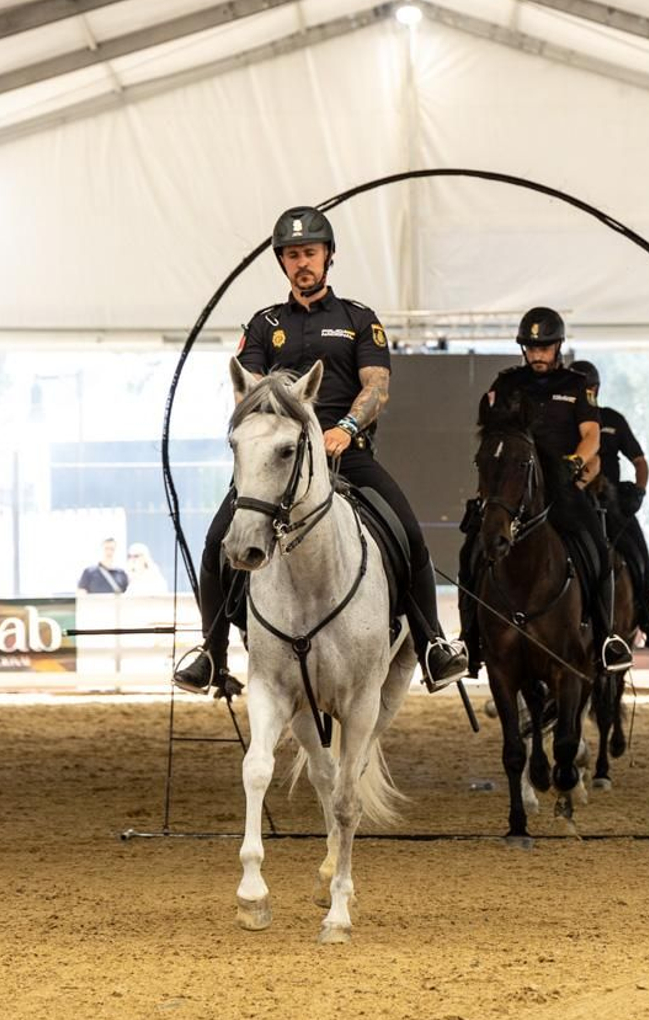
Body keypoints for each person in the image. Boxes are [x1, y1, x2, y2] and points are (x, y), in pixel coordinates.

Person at [173, 205, 467, 698]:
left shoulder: (358, 319)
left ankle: (432, 643)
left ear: (328, 256)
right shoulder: (264, 325)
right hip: (279, 462)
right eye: (292, 255)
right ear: (282, 263)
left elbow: (377, 387)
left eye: (309, 252)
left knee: (408, 532)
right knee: (217, 542)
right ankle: (211, 653)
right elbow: (248, 392)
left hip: (345, 453)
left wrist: (346, 427)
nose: (301, 263)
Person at [459, 309, 632, 677]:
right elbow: (493, 431)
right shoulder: (506, 383)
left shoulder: (577, 384)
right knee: (471, 551)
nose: (538, 354)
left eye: (545, 347)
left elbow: (591, 436)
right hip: (512, 486)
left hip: (561, 486)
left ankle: (606, 638)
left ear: (558, 347)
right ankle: (470, 640)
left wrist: (574, 463)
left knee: (597, 549)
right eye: (532, 347)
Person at [571, 359, 649, 648]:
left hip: (610, 501)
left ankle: (647, 618)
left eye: (586, 388)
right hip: (573, 499)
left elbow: (640, 462)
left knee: (640, 557)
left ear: (596, 389)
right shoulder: (561, 422)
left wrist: (638, 492)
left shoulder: (613, 419)